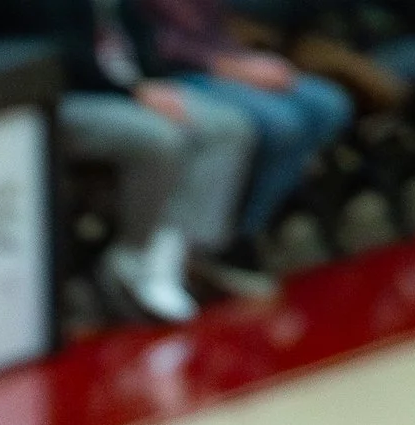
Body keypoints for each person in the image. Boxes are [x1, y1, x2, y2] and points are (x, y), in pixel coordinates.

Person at [0, 0, 257, 321]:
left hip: (128, 87)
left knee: (228, 129)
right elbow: (58, 55)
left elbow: (138, 34)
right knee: (159, 139)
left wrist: (151, 79)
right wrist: (133, 91)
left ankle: (174, 254)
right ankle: (131, 256)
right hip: (68, 95)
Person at [133, 0, 354, 248]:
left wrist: (249, 59)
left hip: (231, 55)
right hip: (177, 71)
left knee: (329, 104)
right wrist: (229, 66)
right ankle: (225, 240)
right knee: (281, 124)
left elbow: (221, 26)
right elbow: (150, 41)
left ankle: (257, 219)